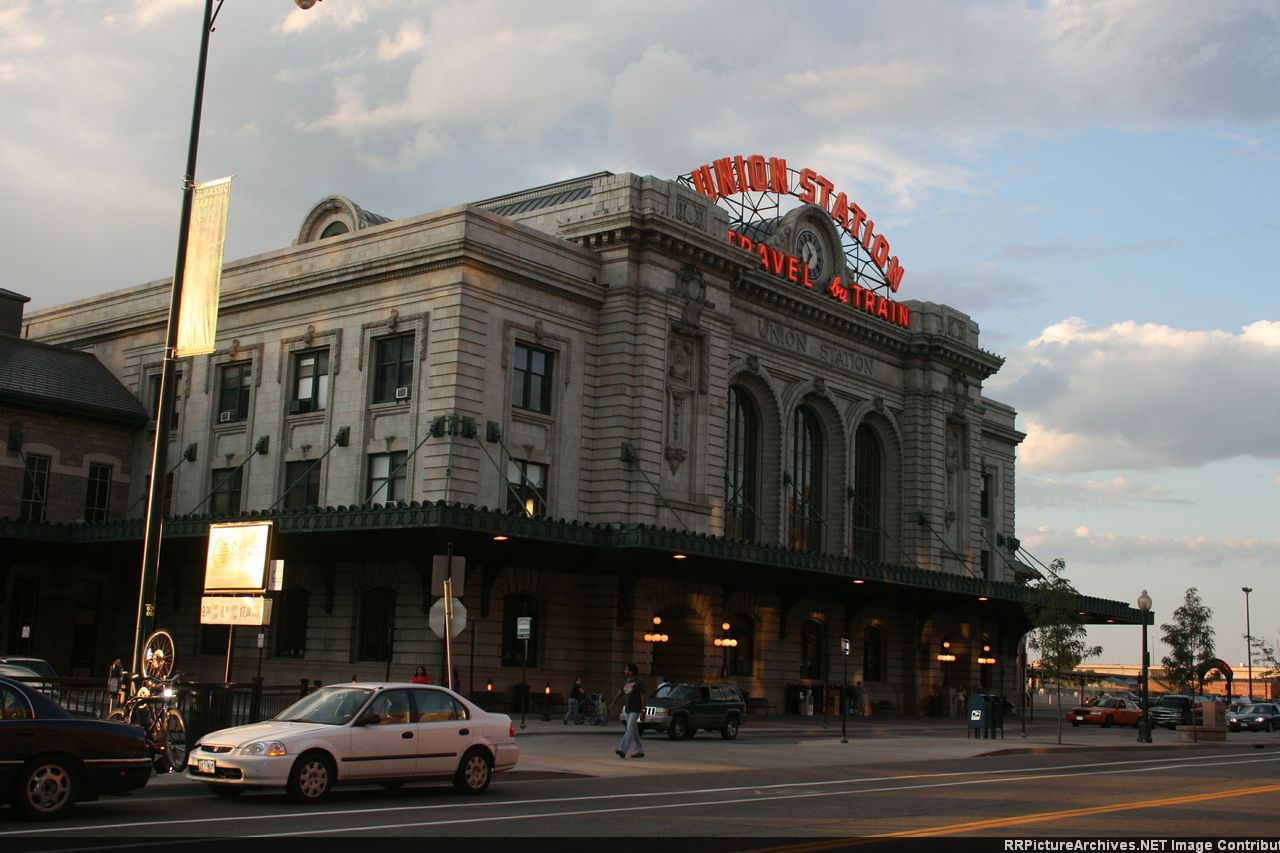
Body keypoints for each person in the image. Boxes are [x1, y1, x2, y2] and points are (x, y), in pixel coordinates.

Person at [610, 663, 645, 758]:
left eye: (626, 669)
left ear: (631, 672)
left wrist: (643, 710)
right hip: (627, 708)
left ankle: (622, 749)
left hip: (635, 708)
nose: (624, 671)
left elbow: (642, 696)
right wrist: (613, 703)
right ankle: (639, 750)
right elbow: (620, 693)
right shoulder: (625, 681)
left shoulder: (639, 682)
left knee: (629, 729)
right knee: (633, 730)